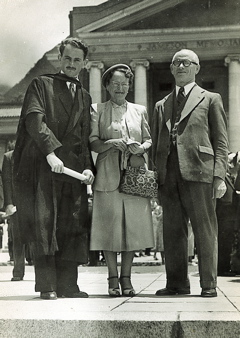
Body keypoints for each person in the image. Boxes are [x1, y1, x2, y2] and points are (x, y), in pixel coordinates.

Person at [13, 37, 94, 300]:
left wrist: (88, 168)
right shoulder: (41, 85)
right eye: (67, 58)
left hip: (72, 173)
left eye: (77, 60)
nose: (72, 64)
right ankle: (47, 285)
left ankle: (69, 285)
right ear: (60, 59)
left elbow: (84, 136)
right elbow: (35, 120)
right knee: (45, 224)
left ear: (84, 63)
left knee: (71, 225)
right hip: (46, 167)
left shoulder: (85, 95)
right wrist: (49, 152)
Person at [151, 49, 228, 298]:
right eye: (176, 63)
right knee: (172, 232)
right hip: (168, 175)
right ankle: (177, 283)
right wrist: (156, 176)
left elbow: (220, 142)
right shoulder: (161, 105)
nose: (181, 66)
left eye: (186, 62)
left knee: (205, 230)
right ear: (172, 69)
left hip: (200, 172)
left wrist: (219, 176)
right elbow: (155, 143)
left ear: (196, 67)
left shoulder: (211, 99)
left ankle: (208, 284)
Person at [89, 64, 154, 297]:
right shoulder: (97, 110)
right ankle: (112, 278)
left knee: (132, 229)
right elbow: (92, 141)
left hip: (135, 174)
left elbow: (148, 139)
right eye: (115, 84)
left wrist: (141, 148)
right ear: (106, 85)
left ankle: (127, 278)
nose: (120, 88)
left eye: (124, 84)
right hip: (107, 175)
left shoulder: (140, 110)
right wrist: (109, 144)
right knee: (109, 229)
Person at [2, 149, 33, 281]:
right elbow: (6, 182)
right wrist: (8, 203)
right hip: (17, 204)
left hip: (34, 202)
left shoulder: (36, 154)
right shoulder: (9, 157)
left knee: (38, 238)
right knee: (18, 239)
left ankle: (42, 273)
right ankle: (18, 272)